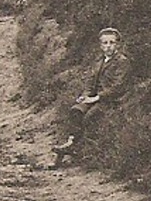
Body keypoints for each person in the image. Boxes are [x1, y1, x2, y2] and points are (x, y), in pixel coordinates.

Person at [53, 27, 131, 167]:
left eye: (112, 43)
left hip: (111, 100)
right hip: (94, 97)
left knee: (91, 116)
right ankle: (71, 143)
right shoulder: (99, 61)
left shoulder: (122, 61)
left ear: (117, 44)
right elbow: (90, 83)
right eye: (105, 43)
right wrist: (84, 96)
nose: (108, 46)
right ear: (101, 45)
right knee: (76, 110)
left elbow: (118, 87)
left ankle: (85, 151)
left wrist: (97, 98)